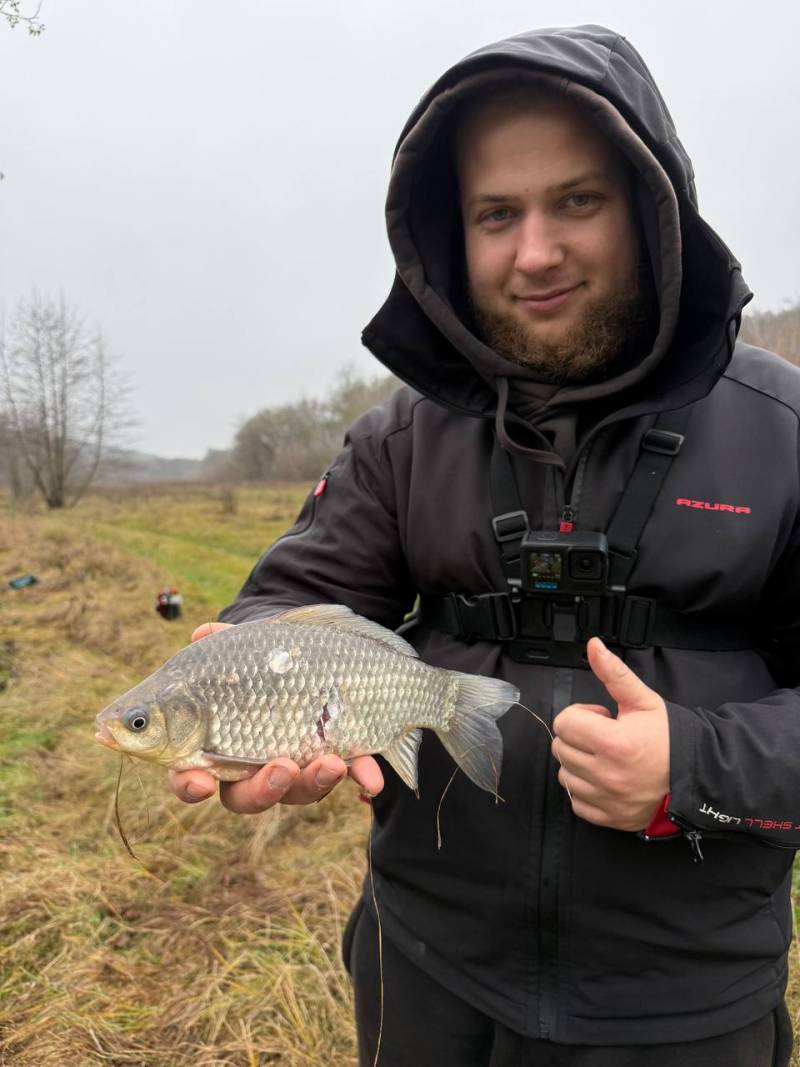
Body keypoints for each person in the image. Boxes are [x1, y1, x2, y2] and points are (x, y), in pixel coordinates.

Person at [170, 25, 799, 1067]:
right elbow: (292, 593)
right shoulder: (399, 438)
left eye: (577, 202)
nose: (534, 251)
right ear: (449, 236)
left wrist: (694, 763)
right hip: (426, 972)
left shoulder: (780, 433)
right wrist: (244, 663)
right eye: (494, 214)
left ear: (653, 213)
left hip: (682, 1004)